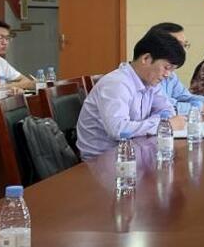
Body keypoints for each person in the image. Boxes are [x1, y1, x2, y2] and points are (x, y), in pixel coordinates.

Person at [76, 30, 188, 159]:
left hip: (132, 151)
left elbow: (167, 111)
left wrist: (160, 123)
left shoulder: (151, 82)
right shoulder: (116, 83)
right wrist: (162, 125)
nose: (168, 75)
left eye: (172, 70)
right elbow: (118, 130)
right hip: (100, 160)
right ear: (146, 59)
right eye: (166, 68)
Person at [147, 22, 204, 114]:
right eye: (178, 45)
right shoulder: (149, 75)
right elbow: (165, 108)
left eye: (185, 45)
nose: (183, 51)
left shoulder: (171, 74)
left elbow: (185, 97)